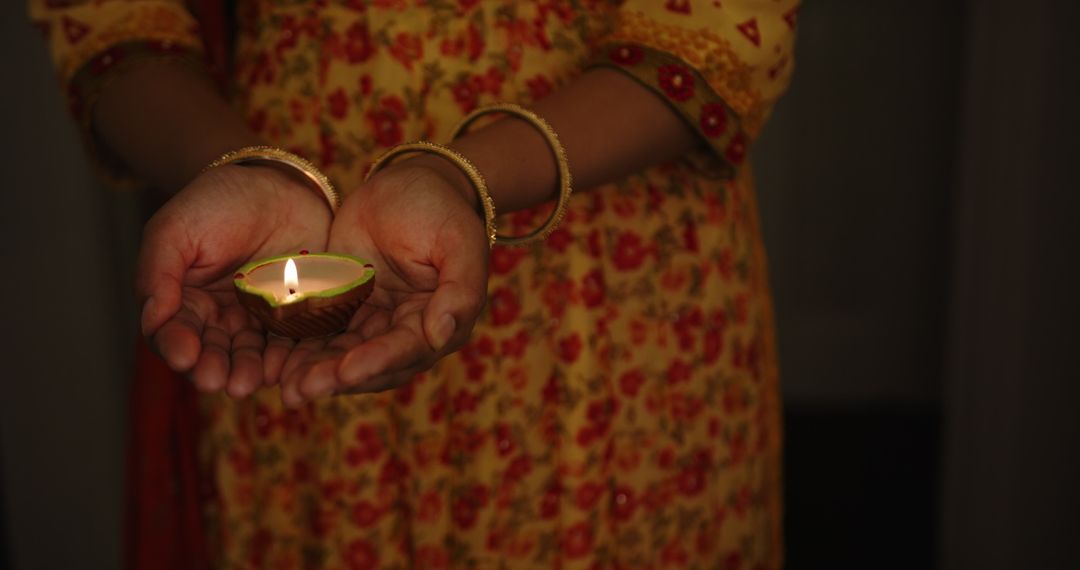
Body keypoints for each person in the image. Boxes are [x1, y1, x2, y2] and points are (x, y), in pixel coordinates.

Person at [31, 0, 797, 567]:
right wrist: (246, 167)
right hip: (285, 253)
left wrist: (459, 176)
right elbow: (110, 23)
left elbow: (723, 34)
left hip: (611, 277)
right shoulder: (272, 245)